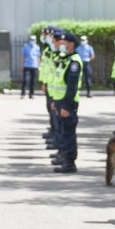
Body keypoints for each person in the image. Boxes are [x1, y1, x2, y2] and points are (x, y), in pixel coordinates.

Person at [51, 30, 82, 173]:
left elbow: (71, 88)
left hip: (67, 103)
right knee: (63, 132)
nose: (60, 44)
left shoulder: (74, 62)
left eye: (63, 42)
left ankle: (70, 162)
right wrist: (55, 101)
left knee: (69, 133)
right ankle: (65, 158)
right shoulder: (66, 59)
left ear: (71, 44)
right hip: (60, 101)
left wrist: (66, 107)